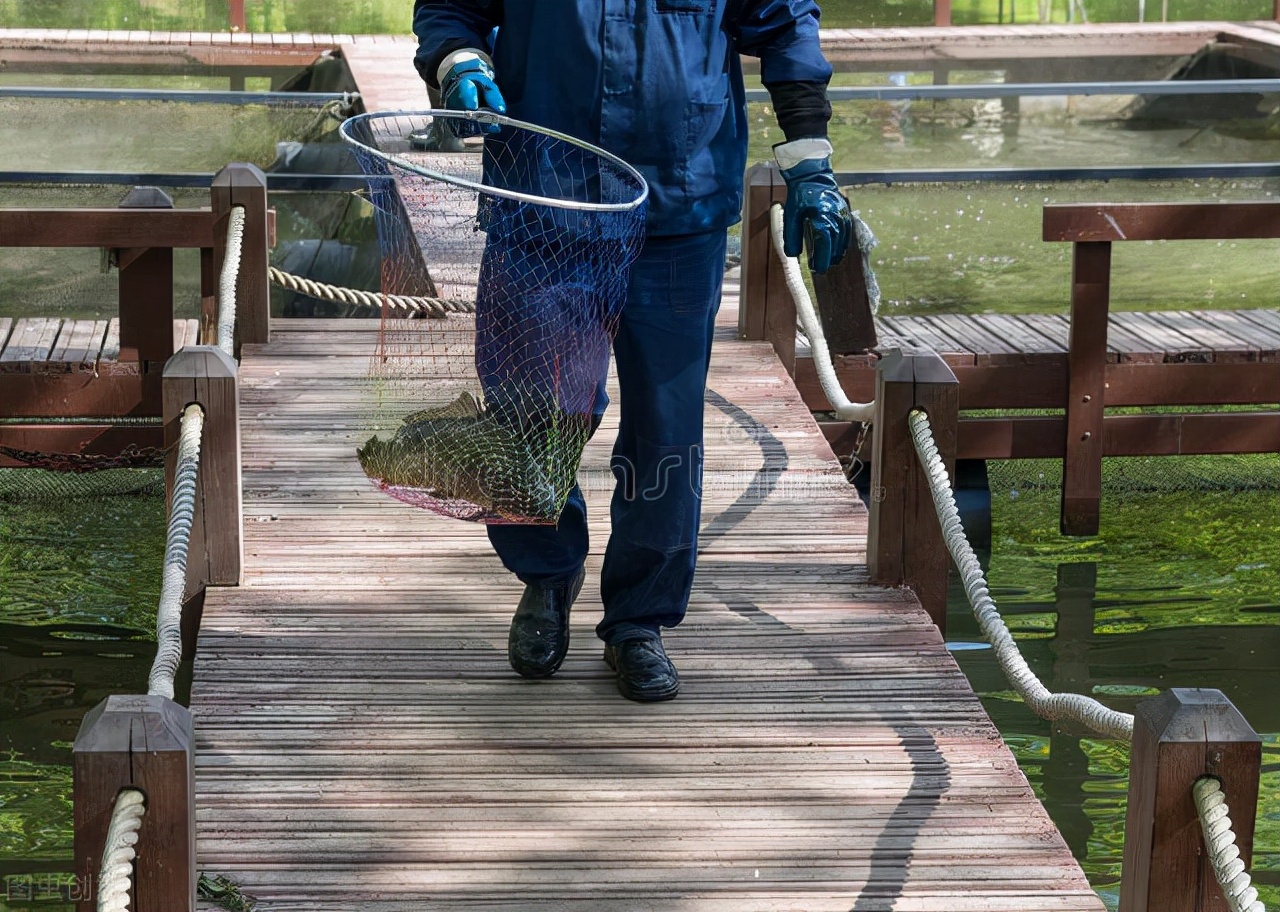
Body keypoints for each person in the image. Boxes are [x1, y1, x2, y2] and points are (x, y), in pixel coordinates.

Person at [412, 0, 852, 702]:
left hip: (678, 212)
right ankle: (549, 577)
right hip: (541, 198)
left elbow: (784, 23)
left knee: (666, 432)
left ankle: (638, 623)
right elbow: (449, 10)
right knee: (528, 412)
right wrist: (458, 59)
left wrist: (810, 162)